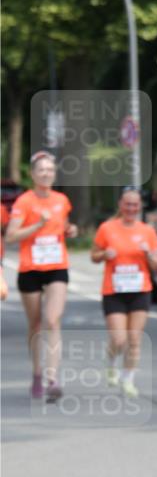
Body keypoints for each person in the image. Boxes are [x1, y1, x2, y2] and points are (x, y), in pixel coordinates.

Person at [6, 151, 78, 401]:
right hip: (31, 269)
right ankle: (37, 372)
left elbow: (64, 227)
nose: (46, 173)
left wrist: (70, 230)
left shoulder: (61, 200)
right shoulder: (24, 202)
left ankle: (52, 377)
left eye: (50, 169)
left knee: (52, 320)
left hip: (57, 265)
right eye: (41, 170)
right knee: (35, 324)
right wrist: (37, 225)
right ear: (33, 174)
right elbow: (10, 237)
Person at [90, 187, 157, 398]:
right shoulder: (107, 228)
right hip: (114, 291)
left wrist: (149, 255)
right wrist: (104, 254)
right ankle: (111, 361)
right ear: (120, 205)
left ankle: (128, 379)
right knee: (119, 338)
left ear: (140, 206)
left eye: (135, 205)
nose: (131, 208)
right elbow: (93, 256)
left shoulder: (147, 231)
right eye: (127, 204)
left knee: (134, 339)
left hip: (140, 290)